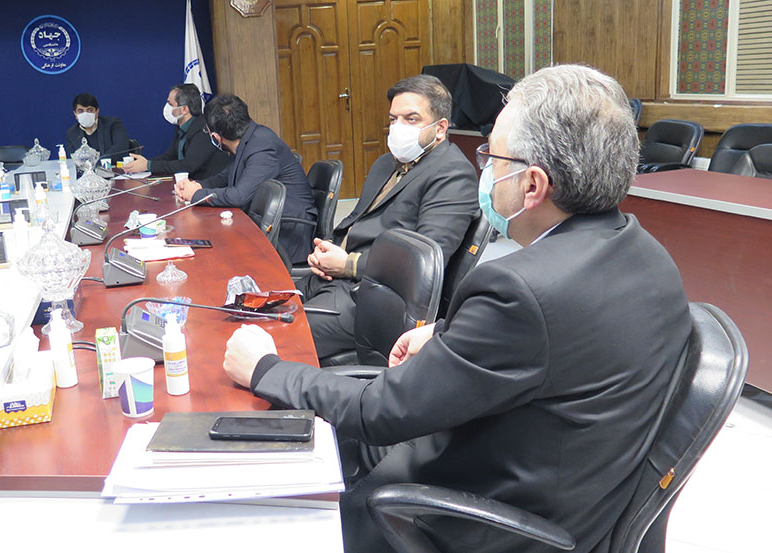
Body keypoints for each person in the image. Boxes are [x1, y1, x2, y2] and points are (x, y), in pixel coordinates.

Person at [220, 65, 693, 553]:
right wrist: (447, 330)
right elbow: (560, 330)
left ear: (532, 185)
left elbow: (378, 412)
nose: (484, 168)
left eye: (493, 156)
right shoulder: (645, 251)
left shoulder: (518, 291)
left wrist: (266, 368)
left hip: (482, 516)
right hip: (566, 483)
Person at [299, 75, 479, 359]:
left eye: (411, 119)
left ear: (440, 128)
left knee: (279, 335)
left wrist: (348, 264)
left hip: (376, 298)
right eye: (394, 119)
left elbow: (424, 260)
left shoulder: (453, 174)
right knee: (256, 306)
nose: (398, 127)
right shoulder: (387, 164)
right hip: (334, 280)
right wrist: (326, 251)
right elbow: (357, 221)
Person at [174, 94, 317, 262]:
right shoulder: (249, 140)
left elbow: (239, 196)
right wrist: (195, 186)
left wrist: (196, 195)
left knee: (215, 254)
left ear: (216, 137)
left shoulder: (262, 145)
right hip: (266, 223)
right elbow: (224, 177)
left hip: (289, 233)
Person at [121, 84, 231, 181]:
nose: (167, 108)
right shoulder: (181, 128)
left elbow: (188, 165)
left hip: (208, 187)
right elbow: (169, 157)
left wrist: (148, 165)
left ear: (184, 109)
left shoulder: (204, 129)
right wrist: (143, 163)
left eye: (170, 104)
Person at [64, 93, 129, 158]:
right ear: (75, 114)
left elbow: (121, 148)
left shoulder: (112, 124)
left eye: (90, 110)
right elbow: (73, 158)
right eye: (80, 111)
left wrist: (98, 161)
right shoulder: (71, 133)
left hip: (111, 164)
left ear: (97, 111)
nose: (85, 114)